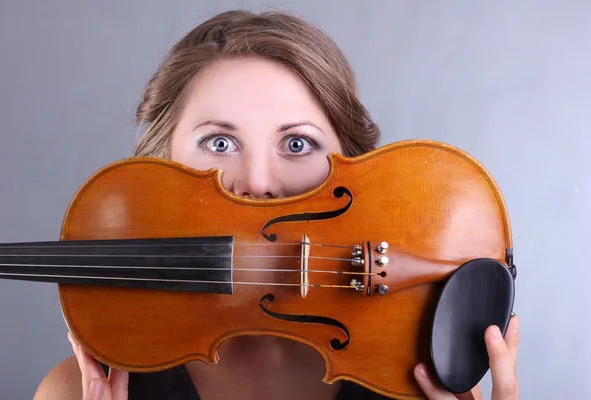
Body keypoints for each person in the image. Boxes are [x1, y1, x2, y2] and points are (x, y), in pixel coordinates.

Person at [33, 9, 519, 400]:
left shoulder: (412, 382)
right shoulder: (74, 393)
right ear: (160, 162)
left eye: (298, 144)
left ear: (352, 164)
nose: (259, 184)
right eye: (219, 143)